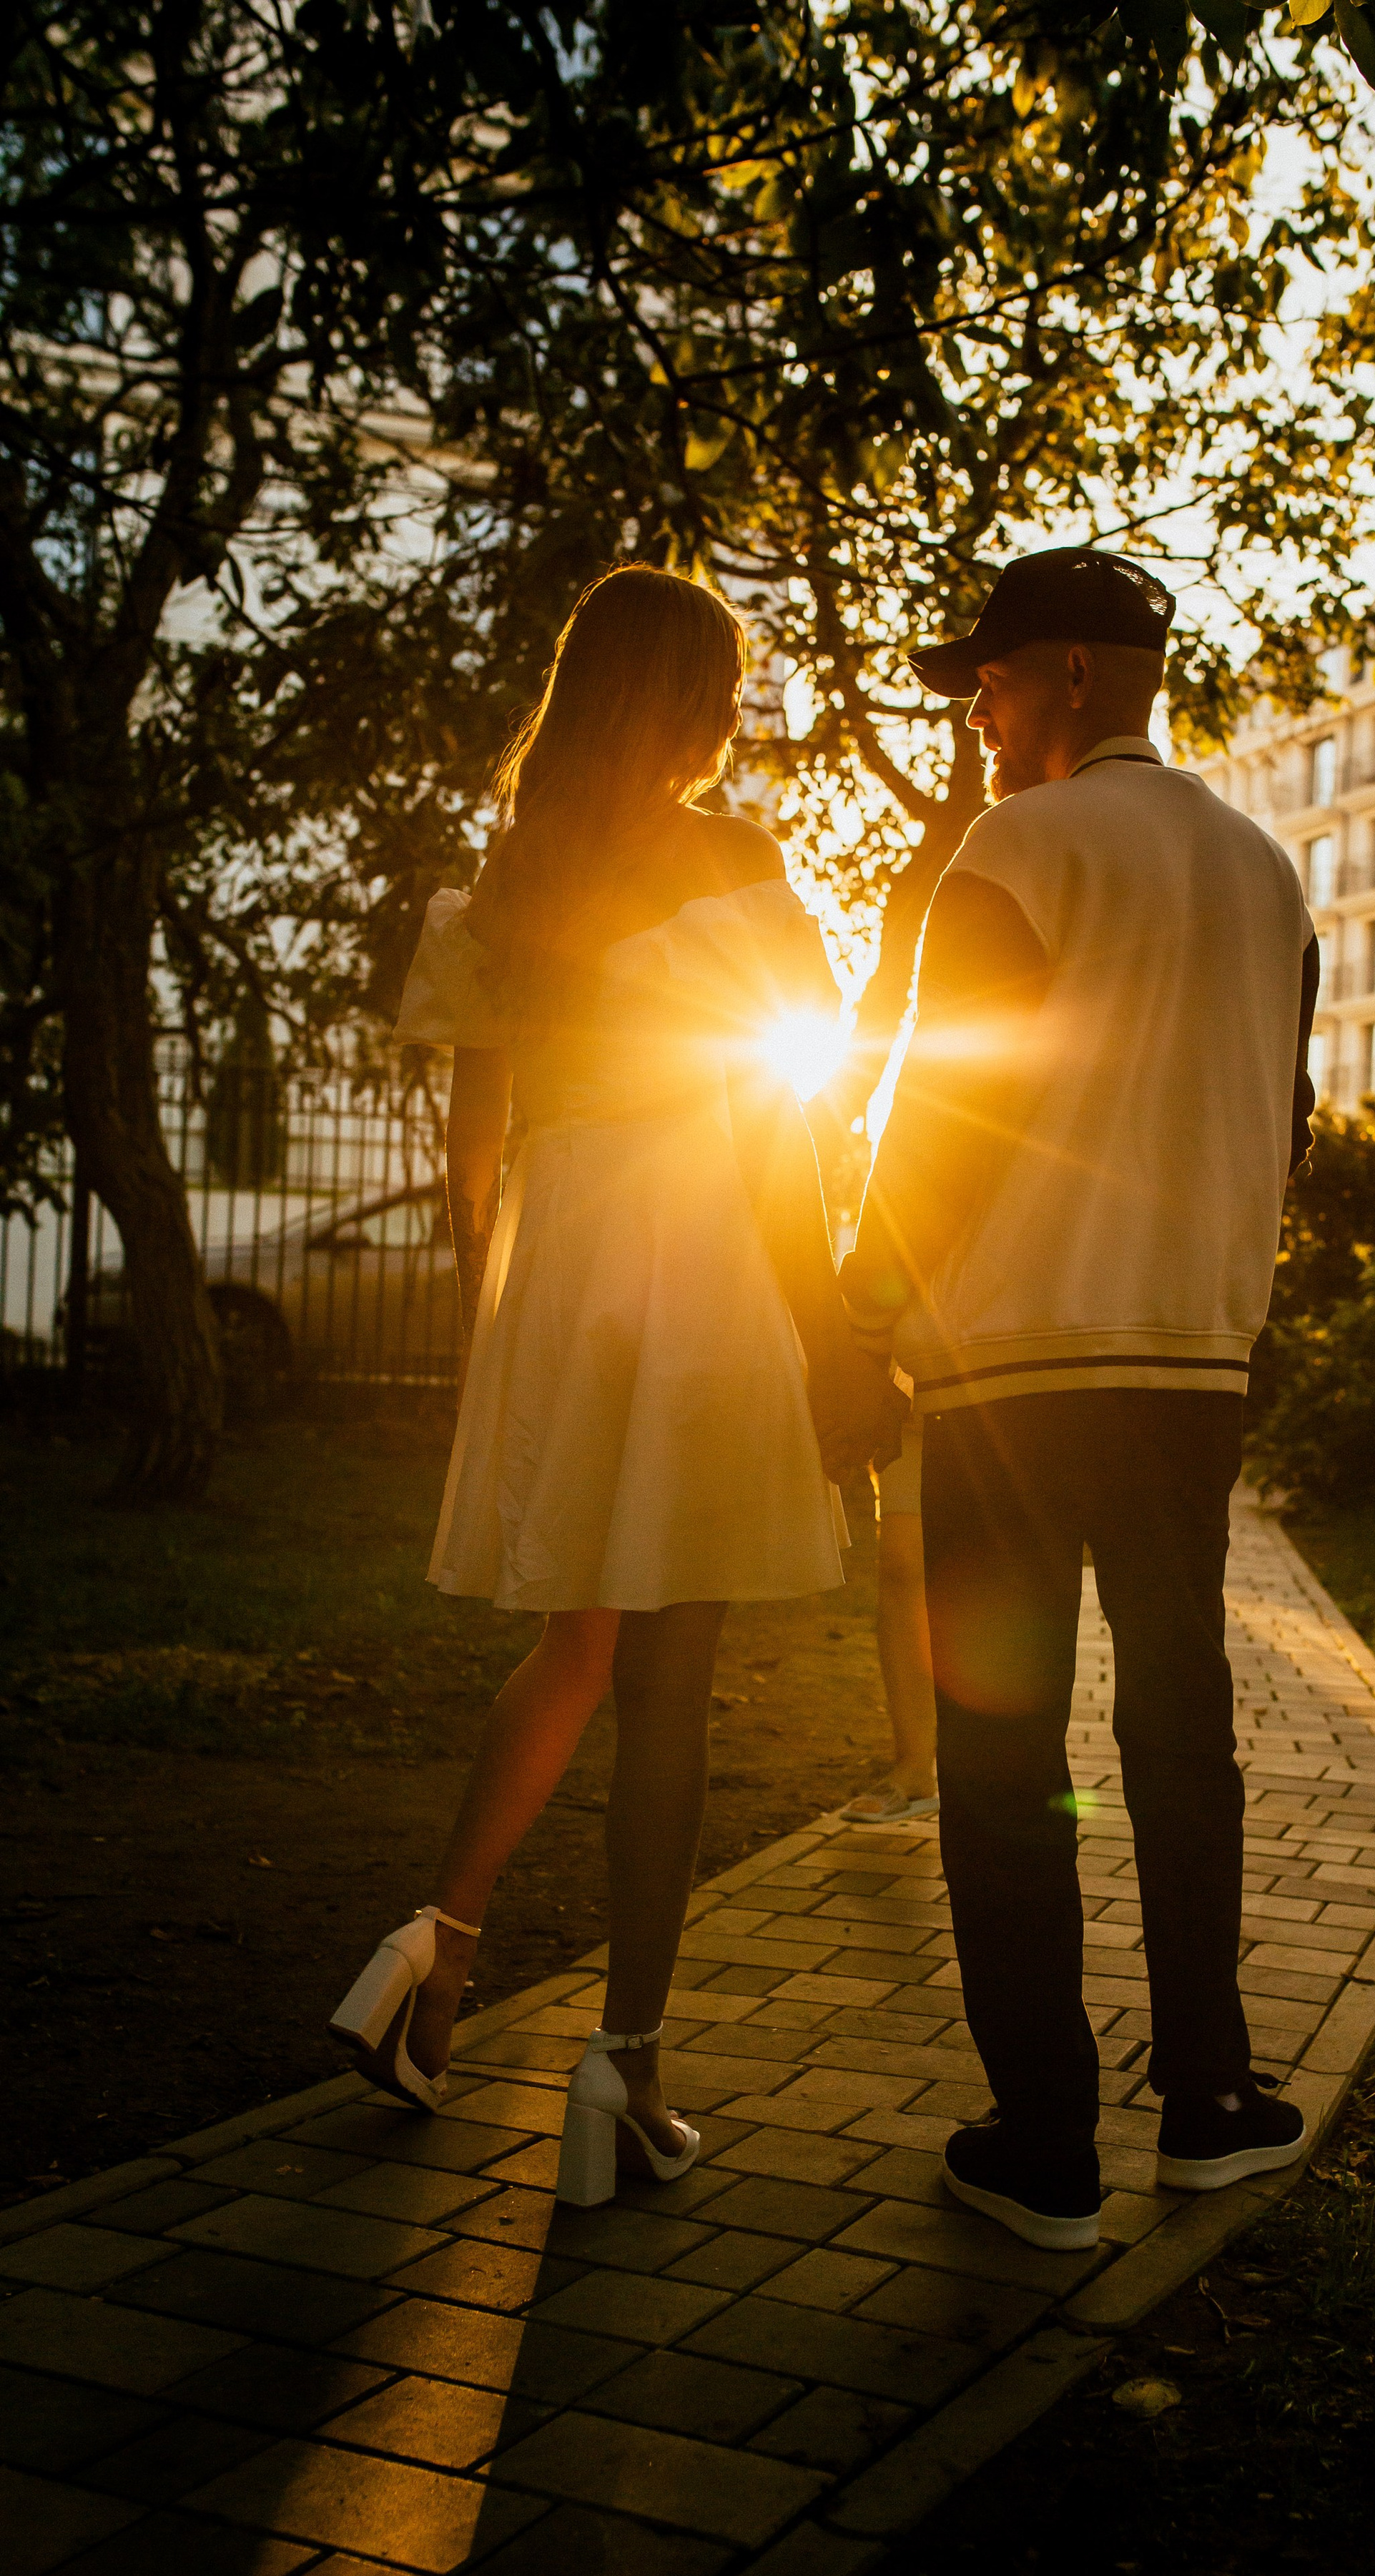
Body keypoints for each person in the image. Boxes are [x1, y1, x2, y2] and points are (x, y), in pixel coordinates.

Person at [329, 566, 882, 2208]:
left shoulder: (508, 887)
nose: (732, 716)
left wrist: (551, 1291)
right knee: (671, 1676)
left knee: (574, 1634)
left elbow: (470, 1180)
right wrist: (825, 1332)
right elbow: (782, 1131)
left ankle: (429, 1953)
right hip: (695, 1253)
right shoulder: (733, 865)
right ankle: (622, 2069)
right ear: (679, 699)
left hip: (559, 1277)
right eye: (720, 687)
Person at [839, 548, 1321, 2251]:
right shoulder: (1266, 871)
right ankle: (1208, 2095)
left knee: (1002, 1745)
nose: (969, 714)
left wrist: (861, 1309)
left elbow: (947, 1110)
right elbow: (1292, 1123)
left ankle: (1044, 2138)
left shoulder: (1017, 845)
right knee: (1177, 1727)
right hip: (1188, 1371)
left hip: (1010, 1371)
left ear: (1062, 673)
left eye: (983, 680)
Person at [841, 1410, 939, 1825]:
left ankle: (1006, 1754)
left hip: (1021, 1386)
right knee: (900, 1565)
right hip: (917, 1385)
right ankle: (915, 1765)